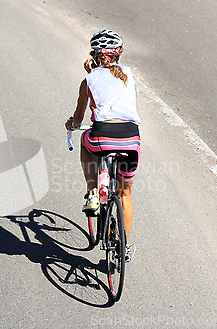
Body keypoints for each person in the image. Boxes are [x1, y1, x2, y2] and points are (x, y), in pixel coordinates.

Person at [65, 29, 141, 262]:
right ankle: (124, 248)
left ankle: (93, 193)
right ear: (119, 54)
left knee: (85, 141)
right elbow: (111, 82)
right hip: (131, 138)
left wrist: (72, 124)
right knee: (125, 192)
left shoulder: (88, 79)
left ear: (94, 54)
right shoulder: (128, 74)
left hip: (101, 137)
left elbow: (79, 117)